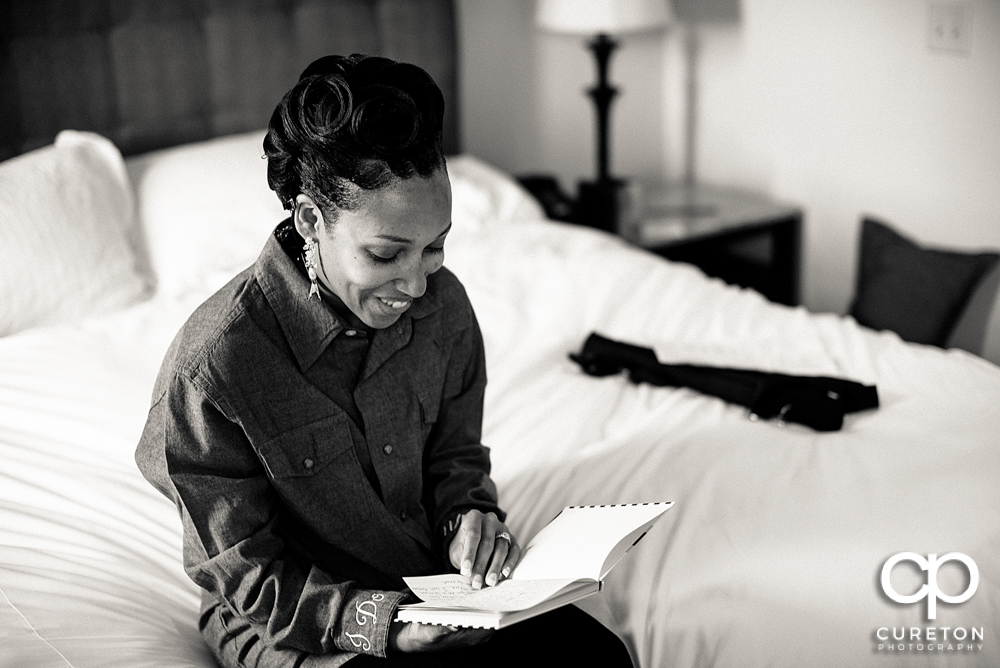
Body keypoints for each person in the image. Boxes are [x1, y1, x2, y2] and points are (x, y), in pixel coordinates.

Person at [135, 54, 633, 667]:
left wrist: (469, 518)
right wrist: (385, 625)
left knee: (596, 657)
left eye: (435, 247)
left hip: (435, 593)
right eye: (385, 254)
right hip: (295, 626)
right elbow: (249, 579)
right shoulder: (214, 371)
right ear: (312, 219)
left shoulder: (443, 307)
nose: (417, 286)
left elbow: (455, 458)